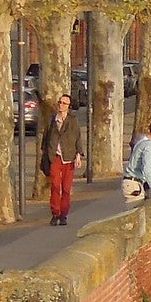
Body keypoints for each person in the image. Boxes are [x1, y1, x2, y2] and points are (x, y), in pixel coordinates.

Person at [39, 93, 83, 225]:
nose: (61, 105)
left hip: (69, 158)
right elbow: (46, 137)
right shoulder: (53, 120)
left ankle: (63, 214)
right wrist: (45, 154)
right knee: (55, 185)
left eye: (64, 103)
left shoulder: (73, 120)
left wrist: (79, 154)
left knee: (66, 188)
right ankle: (55, 213)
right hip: (55, 157)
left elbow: (78, 137)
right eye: (60, 102)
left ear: (69, 106)